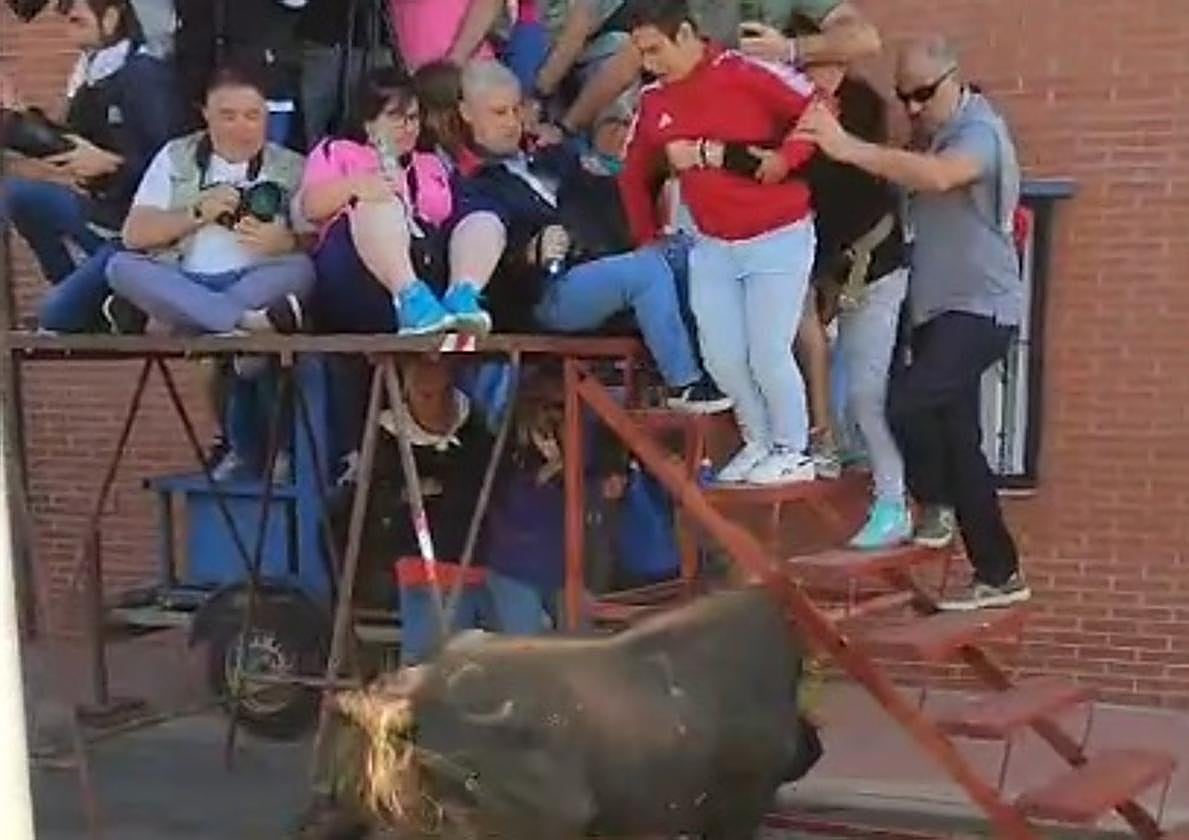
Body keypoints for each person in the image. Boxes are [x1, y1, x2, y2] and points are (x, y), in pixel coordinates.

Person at [795, 35, 1029, 609]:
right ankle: (999, 573)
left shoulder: (979, 133)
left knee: (904, 403)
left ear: (954, 78)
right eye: (906, 98)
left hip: (978, 310)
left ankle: (930, 503)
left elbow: (943, 177)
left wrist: (849, 147)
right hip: (934, 313)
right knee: (962, 446)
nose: (915, 108)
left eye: (924, 94)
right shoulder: (932, 133)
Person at [454, 58, 729, 413]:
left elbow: (609, 200)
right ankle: (685, 383)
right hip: (544, 295)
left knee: (696, 253)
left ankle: (724, 371)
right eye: (498, 113)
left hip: (598, 263)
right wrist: (529, 253)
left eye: (515, 110)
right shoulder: (472, 187)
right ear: (466, 113)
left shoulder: (553, 158)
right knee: (645, 270)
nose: (511, 122)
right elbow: (485, 266)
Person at [619, 0, 819, 484]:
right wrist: (646, 237)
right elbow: (633, 172)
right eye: (641, 54)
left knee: (768, 349)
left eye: (655, 50)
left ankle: (795, 450)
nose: (649, 64)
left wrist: (786, 159)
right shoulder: (652, 102)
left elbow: (818, 106)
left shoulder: (746, 72)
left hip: (780, 234)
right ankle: (758, 441)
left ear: (686, 34)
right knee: (721, 355)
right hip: (711, 242)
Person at [0, 0, 177, 332]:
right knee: (16, 195)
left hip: (138, 236)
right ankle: (86, 297)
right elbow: (70, 146)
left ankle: (91, 307)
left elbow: (173, 164)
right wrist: (17, 115)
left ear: (111, 17)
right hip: (101, 218)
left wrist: (114, 167)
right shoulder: (90, 76)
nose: (68, 13)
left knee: (53, 317)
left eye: (77, 11)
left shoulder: (143, 75)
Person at [105, 61, 314, 336]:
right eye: (228, 117)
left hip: (253, 278)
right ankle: (244, 324)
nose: (241, 128)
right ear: (206, 114)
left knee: (302, 269)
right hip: (181, 275)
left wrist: (284, 241)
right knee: (121, 267)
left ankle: (181, 320)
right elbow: (134, 235)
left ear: (267, 116)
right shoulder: (176, 154)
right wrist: (196, 214)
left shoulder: (293, 166)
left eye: (252, 116)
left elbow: (312, 242)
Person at [301, 67, 499, 336]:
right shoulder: (336, 151)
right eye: (395, 116)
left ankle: (462, 296)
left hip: (428, 263)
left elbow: (454, 216)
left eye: (413, 117)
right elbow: (310, 207)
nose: (408, 126)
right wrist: (357, 186)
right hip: (356, 272)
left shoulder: (431, 163)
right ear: (368, 120)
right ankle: (409, 298)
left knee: (483, 219)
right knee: (380, 204)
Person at [559, 0, 880, 133]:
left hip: (778, 112)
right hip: (702, 113)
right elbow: (629, 58)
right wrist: (568, 126)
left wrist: (790, 49)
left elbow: (865, 38)